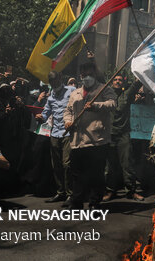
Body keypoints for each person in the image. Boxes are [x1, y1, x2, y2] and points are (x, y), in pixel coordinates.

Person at [64, 62, 117, 210]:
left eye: (89, 74)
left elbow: (113, 104)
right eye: (83, 75)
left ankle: (95, 203)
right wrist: (67, 122)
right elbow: (68, 111)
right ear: (80, 76)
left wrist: (96, 106)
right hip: (77, 140)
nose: (86, 77)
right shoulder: (75, 93)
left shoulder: (103, 89)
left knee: (96, 174)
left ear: (94, 75)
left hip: (97, 140)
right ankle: (77, 202)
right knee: (77, 174)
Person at [36, 71, 75, 206]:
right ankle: (60, 192)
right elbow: (46, 111)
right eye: (51, 80)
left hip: (68, 133)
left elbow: (79, 106)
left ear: (60, 78)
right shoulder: (51, 95)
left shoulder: (72, 90)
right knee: (56, 165)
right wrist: (41, 117)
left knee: (67, 164)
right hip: (55, 133)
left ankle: (71, 194)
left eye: (55, 79)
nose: (53, 82)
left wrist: (73, 121)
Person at [103, 76, 144, 202]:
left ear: (123, 83)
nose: (117, 81)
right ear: (111, 82)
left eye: (120, 80)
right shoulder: (104, 93)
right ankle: (110, 191)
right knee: (110, 166)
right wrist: (92, 59)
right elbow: (99, 78)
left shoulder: (127, 94)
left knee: (127, 164)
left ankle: (131, 191)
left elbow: (137, 83)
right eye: (115, 80)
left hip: (123, 134)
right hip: (109, 135)